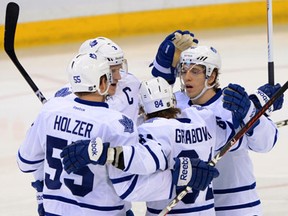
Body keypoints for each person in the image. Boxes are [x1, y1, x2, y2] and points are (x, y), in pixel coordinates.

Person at [60, 76, 240, 215]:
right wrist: (250, 110)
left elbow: (145, 160)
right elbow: (231, 134)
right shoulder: (202, 119)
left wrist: (106, 153)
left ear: (143, 108)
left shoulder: (152, 130)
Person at [150, 32, 284, 216]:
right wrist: (161, 75)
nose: (187, 77)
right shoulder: (175, 104)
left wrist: (251, 112)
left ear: (211, 76)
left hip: (238, 206)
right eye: (183, 70)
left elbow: (265, 143)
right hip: (198, 208)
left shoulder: (233, 104)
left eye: (195, 71)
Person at [16, 53, 141, 216]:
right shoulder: (116, 123)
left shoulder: (50, 110)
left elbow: (26, 162)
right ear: (102, 82)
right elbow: (130, 186)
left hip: (54, 212)